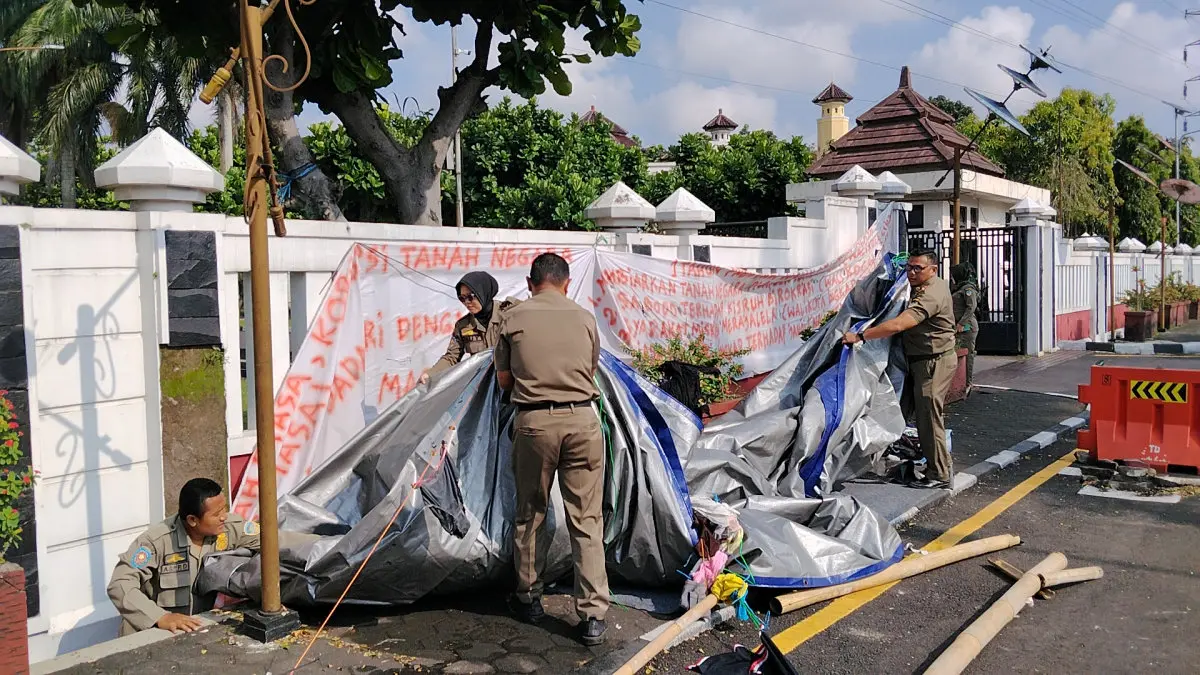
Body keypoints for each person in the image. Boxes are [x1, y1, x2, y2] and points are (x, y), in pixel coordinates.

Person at [493, 252, 610, 646]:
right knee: (587, 519)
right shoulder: (585, 318)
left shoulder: (512, 319)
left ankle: (528, 598)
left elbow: (504, 381)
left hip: (535, 425)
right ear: (566, 283)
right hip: (583, 422)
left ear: (530, 283)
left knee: (531, 514)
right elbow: (590, 371)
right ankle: (593, 616)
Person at [842, 251, 956, 488]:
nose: (911, 273)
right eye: (909, 267)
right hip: (916, 361)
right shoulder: (918, 286)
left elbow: (900, 324)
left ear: (933, 270)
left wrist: (860, 336)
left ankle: (939, 474)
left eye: (918, 268)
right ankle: (878, 461)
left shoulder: (932, 293)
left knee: (928, 418)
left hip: (933, 363)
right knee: (895, 412)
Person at [107, 478, 263, 636]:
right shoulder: (157, 541)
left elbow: (271, 543)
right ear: (192, 520)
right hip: (154, 631)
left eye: (224, 509)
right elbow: (120, 584)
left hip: (198, 629)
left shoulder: (230, 528)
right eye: (216, 514)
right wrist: (160, 617)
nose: (223, 517)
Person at [420, 271, 519, 384]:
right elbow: (451, 357)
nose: (467, 302)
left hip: (512, 383)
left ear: (483, 292)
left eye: (470, 297)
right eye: (462, 298)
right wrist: (430, 374)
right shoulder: (463, 326)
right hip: (484, 385)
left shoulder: (510, 316)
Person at [950, 262, 980, 396]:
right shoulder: (959, 288)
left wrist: (961, 323)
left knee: (967, 354)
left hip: (967, 327)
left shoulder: (968, 289)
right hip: (959, 327)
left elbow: (971, 307)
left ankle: (968, 383)